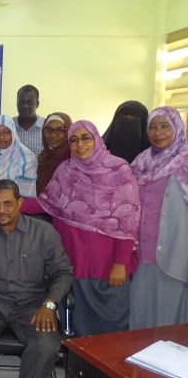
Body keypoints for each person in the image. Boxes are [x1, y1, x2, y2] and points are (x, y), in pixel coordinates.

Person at [23, 121, 140, 336]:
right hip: (75, 261)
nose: (80, 144)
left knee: (114, 327)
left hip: (108, 265)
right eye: (74, 140)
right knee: (80, 327)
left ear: (96, 139)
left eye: (85, 138)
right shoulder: (66, 170)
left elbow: (127, 221)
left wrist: (120, 263)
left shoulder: (119, 170)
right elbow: (46, 203)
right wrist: (11, 204)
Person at [0, 179, 73, 378]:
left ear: (19, 203)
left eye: (8, 203)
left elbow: (63, 272)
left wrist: (50, 304)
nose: (1, 210)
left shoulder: (43, 232)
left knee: (46, 345)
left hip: (32, 305)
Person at [129, 106, 188, 329]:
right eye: (152, 127)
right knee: (140, 321)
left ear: (177, 128)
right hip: (142, 256)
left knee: (171, 324)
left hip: (176, 255)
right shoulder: (140, 162)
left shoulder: (185, 162)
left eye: (165, 126)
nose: (158, 132)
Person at [0, 115, 37, 198]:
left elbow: (27, 194)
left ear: (13, 133)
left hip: (18, 203)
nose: (1, 137)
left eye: (6, 132)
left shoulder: (27, 158)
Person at [36, 112, 72, 195]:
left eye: (59, 130)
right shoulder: (43, 157)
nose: (53, 135)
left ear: (68, 132)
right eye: (48, 130)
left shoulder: (72, 159)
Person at [14, 84, 44, 155]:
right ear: (17, 103)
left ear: (37, 104)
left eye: (30, 103)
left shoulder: (46, 127)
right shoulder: (8, 126)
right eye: (22, 102)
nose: (25, 106)